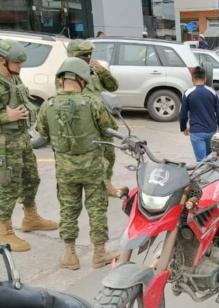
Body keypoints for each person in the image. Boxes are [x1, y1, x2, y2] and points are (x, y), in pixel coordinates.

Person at [36, 57, 118, 270]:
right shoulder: (92, 103)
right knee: (97, 209)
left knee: (68, 209)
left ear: (61, 79)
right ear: (82, 80)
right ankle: (99, 254)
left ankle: (70, 255)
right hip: (92, 168)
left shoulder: (48, 105)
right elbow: (110, 129)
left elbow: (42, 133)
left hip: (65, 169)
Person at [0, 39, 58, 252]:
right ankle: (4, 231)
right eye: (17, 63)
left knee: (31, 179)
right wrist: (7, 116)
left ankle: (31, 217)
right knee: (8, 187)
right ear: (2, 61)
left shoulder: (13, 77)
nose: (21, 67)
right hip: (4, 144)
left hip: (21, 139)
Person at [66, 39, 127, 198]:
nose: (88, 57)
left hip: (102, 120)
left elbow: (113, 86)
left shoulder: (93, 70)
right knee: (91, 159)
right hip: (85, 122)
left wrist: (102, 70)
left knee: (109, 154)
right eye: (84, 55)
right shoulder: (67, 73)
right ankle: (92, 190)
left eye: (89, 54)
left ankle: (107, 185)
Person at [180, 66, 219, 161]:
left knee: (201, 162)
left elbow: (183, 114)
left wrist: (183, 128)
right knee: (210, 159)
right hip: (211, 131)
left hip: (197, 132)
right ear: (205, 79)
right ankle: (211, 175)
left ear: (192, 79)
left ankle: (202, 175)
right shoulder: (212, 92)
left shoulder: (188, 93)